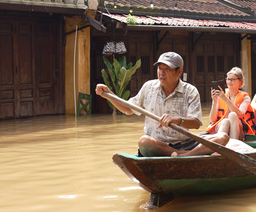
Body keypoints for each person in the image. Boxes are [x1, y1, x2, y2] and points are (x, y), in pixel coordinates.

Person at [95, 51, 228, 157]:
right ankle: (184, 156)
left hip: (185, 144)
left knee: (223, 137)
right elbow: (128, 110)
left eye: (167, 69)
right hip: (157, 145)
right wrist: (109, 94)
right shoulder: (148, 87)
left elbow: (196, 123)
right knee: (144, 141)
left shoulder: (190, 91)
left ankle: (185, 155)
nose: (161, 73)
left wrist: (177, 120)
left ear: (179, 71)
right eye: (160, 68)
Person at [205, 67, 256, 140]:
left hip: (238, 129)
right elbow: (213, 119)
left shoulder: (245, 97)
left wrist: (225, 99)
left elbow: (240, 114)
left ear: (240, 82)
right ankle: (218, 146)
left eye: (232, 80)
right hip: (222, 127)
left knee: (232, 115)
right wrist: (215, 100)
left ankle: (233, 144)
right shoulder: (221, 94)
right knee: (226, 121)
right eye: (228, 79)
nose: (229, 82)